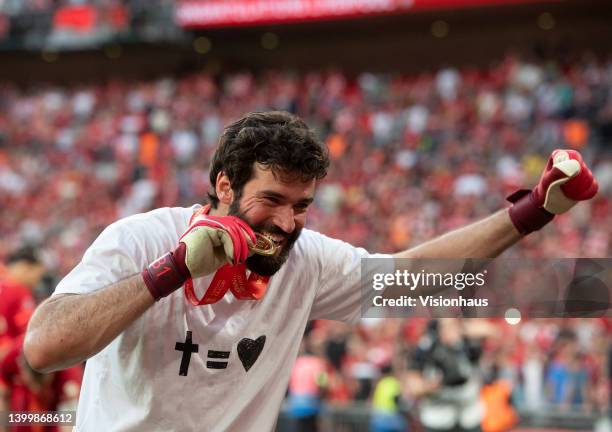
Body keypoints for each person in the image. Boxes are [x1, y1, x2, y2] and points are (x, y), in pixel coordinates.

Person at [23, 111, 598, 431]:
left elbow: (411, 277)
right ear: (224, 185)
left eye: (300, 206)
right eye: (270, 199)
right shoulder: (140, 238)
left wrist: (530, 213)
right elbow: (45, 346)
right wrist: (170, 270)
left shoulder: (306, 260)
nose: (286, 223)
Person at [0, 247, 45, 364]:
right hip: (7, 364)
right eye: (37, 273)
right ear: (25, 267)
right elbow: (28, 335)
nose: (37, 281)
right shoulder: (19, 292)